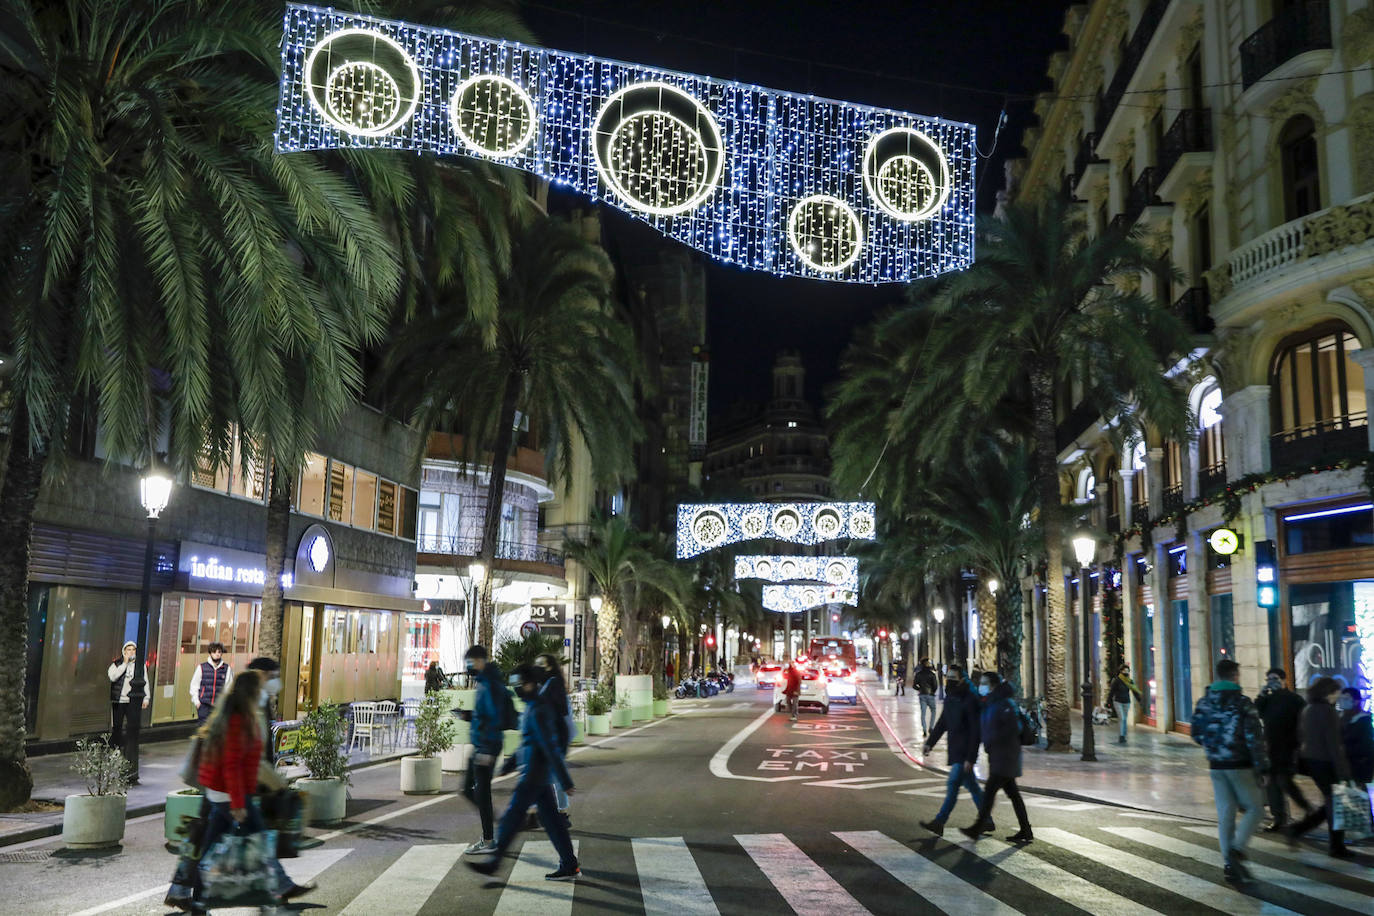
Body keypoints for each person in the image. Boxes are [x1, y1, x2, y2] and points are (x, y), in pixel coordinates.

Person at [194, 671, 310, 911]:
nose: (262, 694)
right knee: (258, 838)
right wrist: (237, 803)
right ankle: (282, 886)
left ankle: (195, 897)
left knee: (210, 847)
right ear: (251, 692)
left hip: (220, 792)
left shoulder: (234, 714)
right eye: (259, 689)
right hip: (229, 794)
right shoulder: (239, 720)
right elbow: (232, 764)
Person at [466, 664, 579, 882]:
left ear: (531, 684)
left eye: (520, 684)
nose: (517, 688)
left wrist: (565, 780)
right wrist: (510, 764)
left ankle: (494, 863)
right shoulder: (532, 706)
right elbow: (529, 742)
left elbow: (549, 746)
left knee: (510, 819)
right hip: (538, 776)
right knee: (553, 823)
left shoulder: (537, 709)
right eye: (515, 684)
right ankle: (570, 864)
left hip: (533, 776)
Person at [1191, 658, 1269, 882]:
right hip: (1240, 764)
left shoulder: (1204, 702)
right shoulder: (1243, 703)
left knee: (1226, 814)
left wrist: (1214, 745)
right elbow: (1254, 738)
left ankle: (1228, 863)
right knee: (1255, 809)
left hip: (1216, 765)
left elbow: (1196, 734)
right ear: (1235, 675)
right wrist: (1262, 766)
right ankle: (1237, 848)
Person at [959, 672, 1032, 844]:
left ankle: (977, 827)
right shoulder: (992, 702)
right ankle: (1026, 830)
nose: (981, 686)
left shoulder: (1004, 703)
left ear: (992, 685)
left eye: (984, 683)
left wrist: (993, 741)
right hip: (999, 756)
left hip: (1005, 756)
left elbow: (1013, 729)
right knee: (1014, 795)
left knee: (990, 792)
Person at [1286, 677, 1355, 858]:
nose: (1338, 697)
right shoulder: (1328, 712)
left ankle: (1299, 829)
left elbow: (1302, 736)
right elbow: (1334, 745)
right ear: (1328, 692)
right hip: (1327, 762)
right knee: (1335, 803)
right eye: (1336, 693)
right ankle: (1336, 846)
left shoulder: (1308, 709)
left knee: (1331, 802)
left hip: (1312, 762)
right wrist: (1344, 773)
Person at [918, 663, 984, 837]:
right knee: (973, 787)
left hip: (964, 752)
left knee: (953, 784)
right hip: (955, 749)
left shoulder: (971, 698)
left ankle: (940, 821)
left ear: (962, 679)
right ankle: (987, 820)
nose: (950, 681)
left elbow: (976, 731)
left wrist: (971, 757)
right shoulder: (951, 697)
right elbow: (942, 723)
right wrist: (929, 743)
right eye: (949, 678)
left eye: (954, 678)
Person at [460, 645, 506, 856]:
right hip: (482, 743)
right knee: (471, 790)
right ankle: (494, 828)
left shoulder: (489, 683)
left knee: (479, 791)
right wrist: (468, 715)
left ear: (480, 661)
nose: (468, 666)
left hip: (487, 745)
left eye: (470, 662)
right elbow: (485, 714)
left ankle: (489, 838)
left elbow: (494, 718)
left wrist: (486, 750)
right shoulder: (484, 682)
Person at [1255, 667, 1311, 831]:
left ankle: (1306, 808)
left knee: (1284, 781)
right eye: (1269, 680)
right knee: (1272, 783)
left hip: (1288, 747)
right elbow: (1256, 711)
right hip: (1271, 747)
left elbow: (1304, 720)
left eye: (1275, 679)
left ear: (1284, 680)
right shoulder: (1267, 699)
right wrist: (1262, 694)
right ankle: (1279, 818)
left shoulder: (1294, 699)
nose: (1272, 682)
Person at [534, 653, 574, 828]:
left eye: (541, 665)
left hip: (555, 738)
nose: (537, 668)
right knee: (547, 777)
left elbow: (560, 714)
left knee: (554, 777)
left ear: (550, 666)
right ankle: (549, 813)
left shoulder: (553, 685)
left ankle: (560, 814)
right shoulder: (547, 685)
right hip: (553, 737)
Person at [107, 640, 149, 783]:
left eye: (133, 650)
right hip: (119, 700)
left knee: (132, 726)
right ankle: (116, 748)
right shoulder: (117, 664)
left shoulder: (139, 665)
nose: (131, 652)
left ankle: (130, 751)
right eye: (128, 649)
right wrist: (124, 664)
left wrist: (146, 697)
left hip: (132, 701)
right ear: (124, 651)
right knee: (117, 725)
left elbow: (145, 681)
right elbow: (112, 677)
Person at [189, 642, 233, 726]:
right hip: (204, 706)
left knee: (217, 731)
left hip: (219, 706)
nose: (217, 654)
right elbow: (194, 685)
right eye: (214, 652)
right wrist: (197, 702)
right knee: (203, 731)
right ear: (210, 653)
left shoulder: (227, 669)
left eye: (219, 652)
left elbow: (229, 688)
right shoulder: (202, 667)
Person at [1339, 686, 1374, 789]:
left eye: (1346, 699)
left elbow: (1366, 746)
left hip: (1359, 766)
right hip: (1345, 765)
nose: (1343, 702)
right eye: (1341, 699)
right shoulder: (1340, 718)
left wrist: (1343, 750)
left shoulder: (1363, 721)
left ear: (1356, 701)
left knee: (1359, 794)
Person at [1106, 664, 1144, 744]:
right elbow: (1111, 692)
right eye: (1124, 670)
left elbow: (1134, 691)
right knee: (1122, 718)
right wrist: (1108, 702)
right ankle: (1121, 736)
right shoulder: (1116, 680)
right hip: (1118, 701)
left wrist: (1139, 700)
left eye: (1127, 670)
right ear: (1121, 671)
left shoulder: (1129, 681)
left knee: (1124, 719)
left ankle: (1123, 735)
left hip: (1126, 702)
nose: (1126, 672)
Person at [913, 658, 939, 734]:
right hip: (930, 695)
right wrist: (932, 692)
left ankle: (924, 729)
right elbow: (935, 686)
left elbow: (914, 685)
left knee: (923, 713)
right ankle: (931, 727)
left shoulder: (919, 674)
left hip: (922, 695)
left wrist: (920, 689)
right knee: (933, 711)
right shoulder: (932, 674)